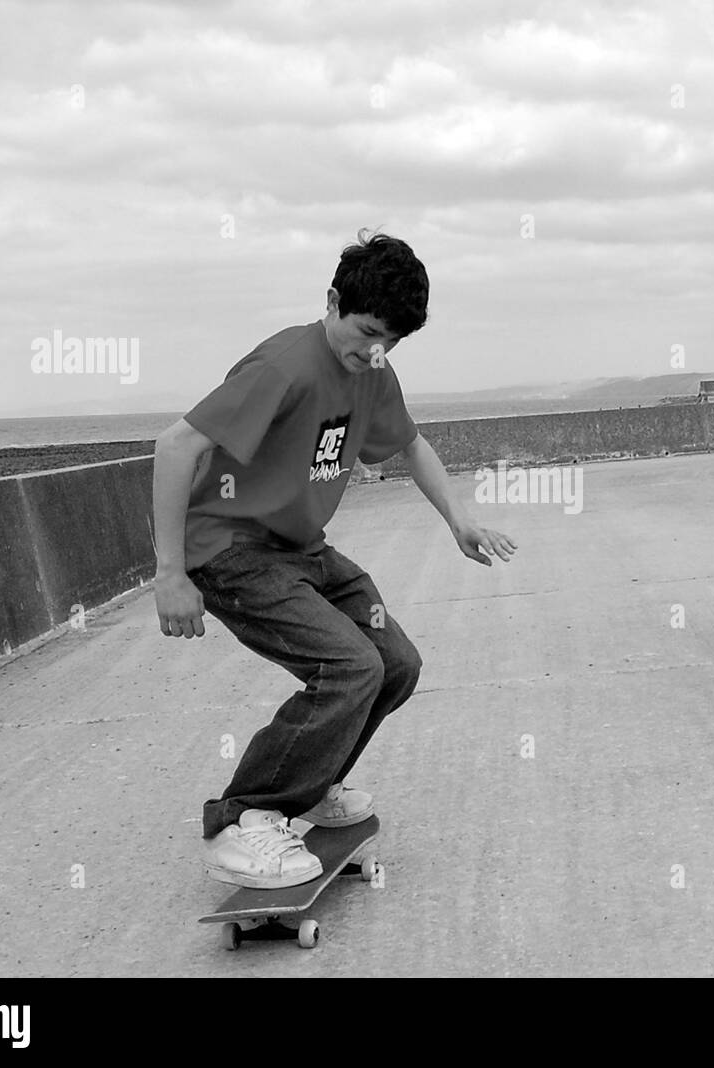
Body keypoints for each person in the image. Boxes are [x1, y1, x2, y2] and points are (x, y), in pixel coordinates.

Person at [152, 231, 516, 888]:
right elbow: (176, 447)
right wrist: (171, 573)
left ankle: (313, 782)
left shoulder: (372, 371)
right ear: (331, 301)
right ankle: (245, 819)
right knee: (349, 666)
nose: (376, 351)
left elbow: (411, 442)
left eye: (394, 341)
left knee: (396, 665)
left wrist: (460, 519)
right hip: (231, 551)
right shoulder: (284, 367)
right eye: (369, 331)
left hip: (302, 551)